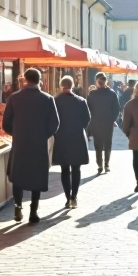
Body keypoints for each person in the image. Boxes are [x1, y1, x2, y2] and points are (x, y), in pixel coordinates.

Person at [2, 69, 60, 224]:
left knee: (17, 176)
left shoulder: (14, 98)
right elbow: (55, 123)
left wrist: (16, 134)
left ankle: (18, 208)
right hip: (38, 144)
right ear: (39, 80)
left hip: (20, 143)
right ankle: (33, 211)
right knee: (37, 176)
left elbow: (5, 123)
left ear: (25, 80)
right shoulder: (47, 99)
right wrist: (43, 135)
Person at [52, 76, 91, 210]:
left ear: (60, 85)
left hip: (62, 138)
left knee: (64, 169)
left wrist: (56, 133)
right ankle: (74, 196)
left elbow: (51, 120)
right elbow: (87, 119)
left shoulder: (55, 101)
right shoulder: (81, 101)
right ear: (73, 85)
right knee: (76, 169)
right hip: (77, 138)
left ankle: (67, 197)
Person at [87, 72, 121, 174]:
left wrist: (91, 121)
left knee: (98, 144)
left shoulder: (92, 94)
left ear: (96, 81)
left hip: (96, 123)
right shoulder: (112, 93)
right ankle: (106, 164)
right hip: (107, 122)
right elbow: (116, 109)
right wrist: (112, 120)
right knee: (107, 144)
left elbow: (88, 109)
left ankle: (100, 165)